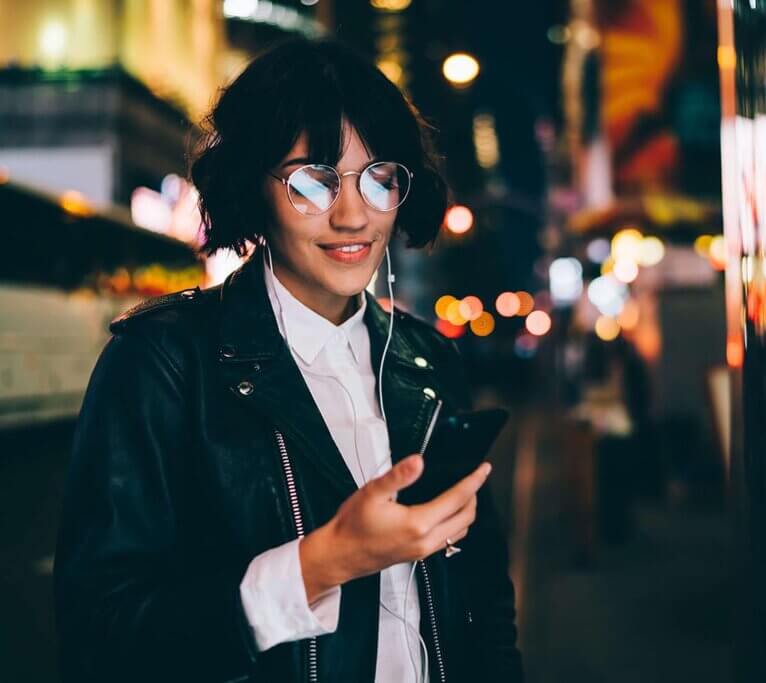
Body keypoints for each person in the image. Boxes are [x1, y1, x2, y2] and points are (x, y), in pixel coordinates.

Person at [53, 38, 523, 683]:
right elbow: (99, 634)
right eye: (312, 182)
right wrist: (319, 564)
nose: (354, 214)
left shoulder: (427, 359)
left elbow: (484, 604)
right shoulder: (163, 362)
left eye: (380, 178)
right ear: (253, 186)